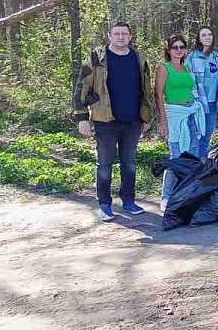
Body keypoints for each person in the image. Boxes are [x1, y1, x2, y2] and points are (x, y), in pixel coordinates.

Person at [73, 22, 154, 222]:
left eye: (124, 34)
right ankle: (105, 204)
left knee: (129, 165)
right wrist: (82, 117)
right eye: (116, 33)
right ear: (109, 36)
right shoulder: (97, 58)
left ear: (130, 36)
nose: (120, 37)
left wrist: (146, 117)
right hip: (105, 120)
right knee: (105, 165)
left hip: (133, 121)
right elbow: (81, 87)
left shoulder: (138, 58)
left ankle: (128, 201)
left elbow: (146, 90)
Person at [154, 35, 205, 210]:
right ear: (168, 50)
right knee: (176, 158)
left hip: (191, 114)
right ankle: (166, 196)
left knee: (193, 156)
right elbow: (158, 95)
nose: (178, 50)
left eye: (181, 46)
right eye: (174, 47)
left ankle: (188, 194)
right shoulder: (164, 68)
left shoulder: (186, 67)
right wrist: (163, 121)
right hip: (175, 116)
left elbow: (193, 89)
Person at [185, 26, 218, 160]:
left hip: (212, 104)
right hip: (198, 105)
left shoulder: (216, 57)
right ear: (199, 39)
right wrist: (195, 102)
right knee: (196, 137)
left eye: (209, 35)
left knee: (207, 137)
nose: (207, 37)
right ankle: (194, 168)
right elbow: (190, 82)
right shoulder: (192, 57)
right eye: (204, 35)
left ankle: (203, 166)